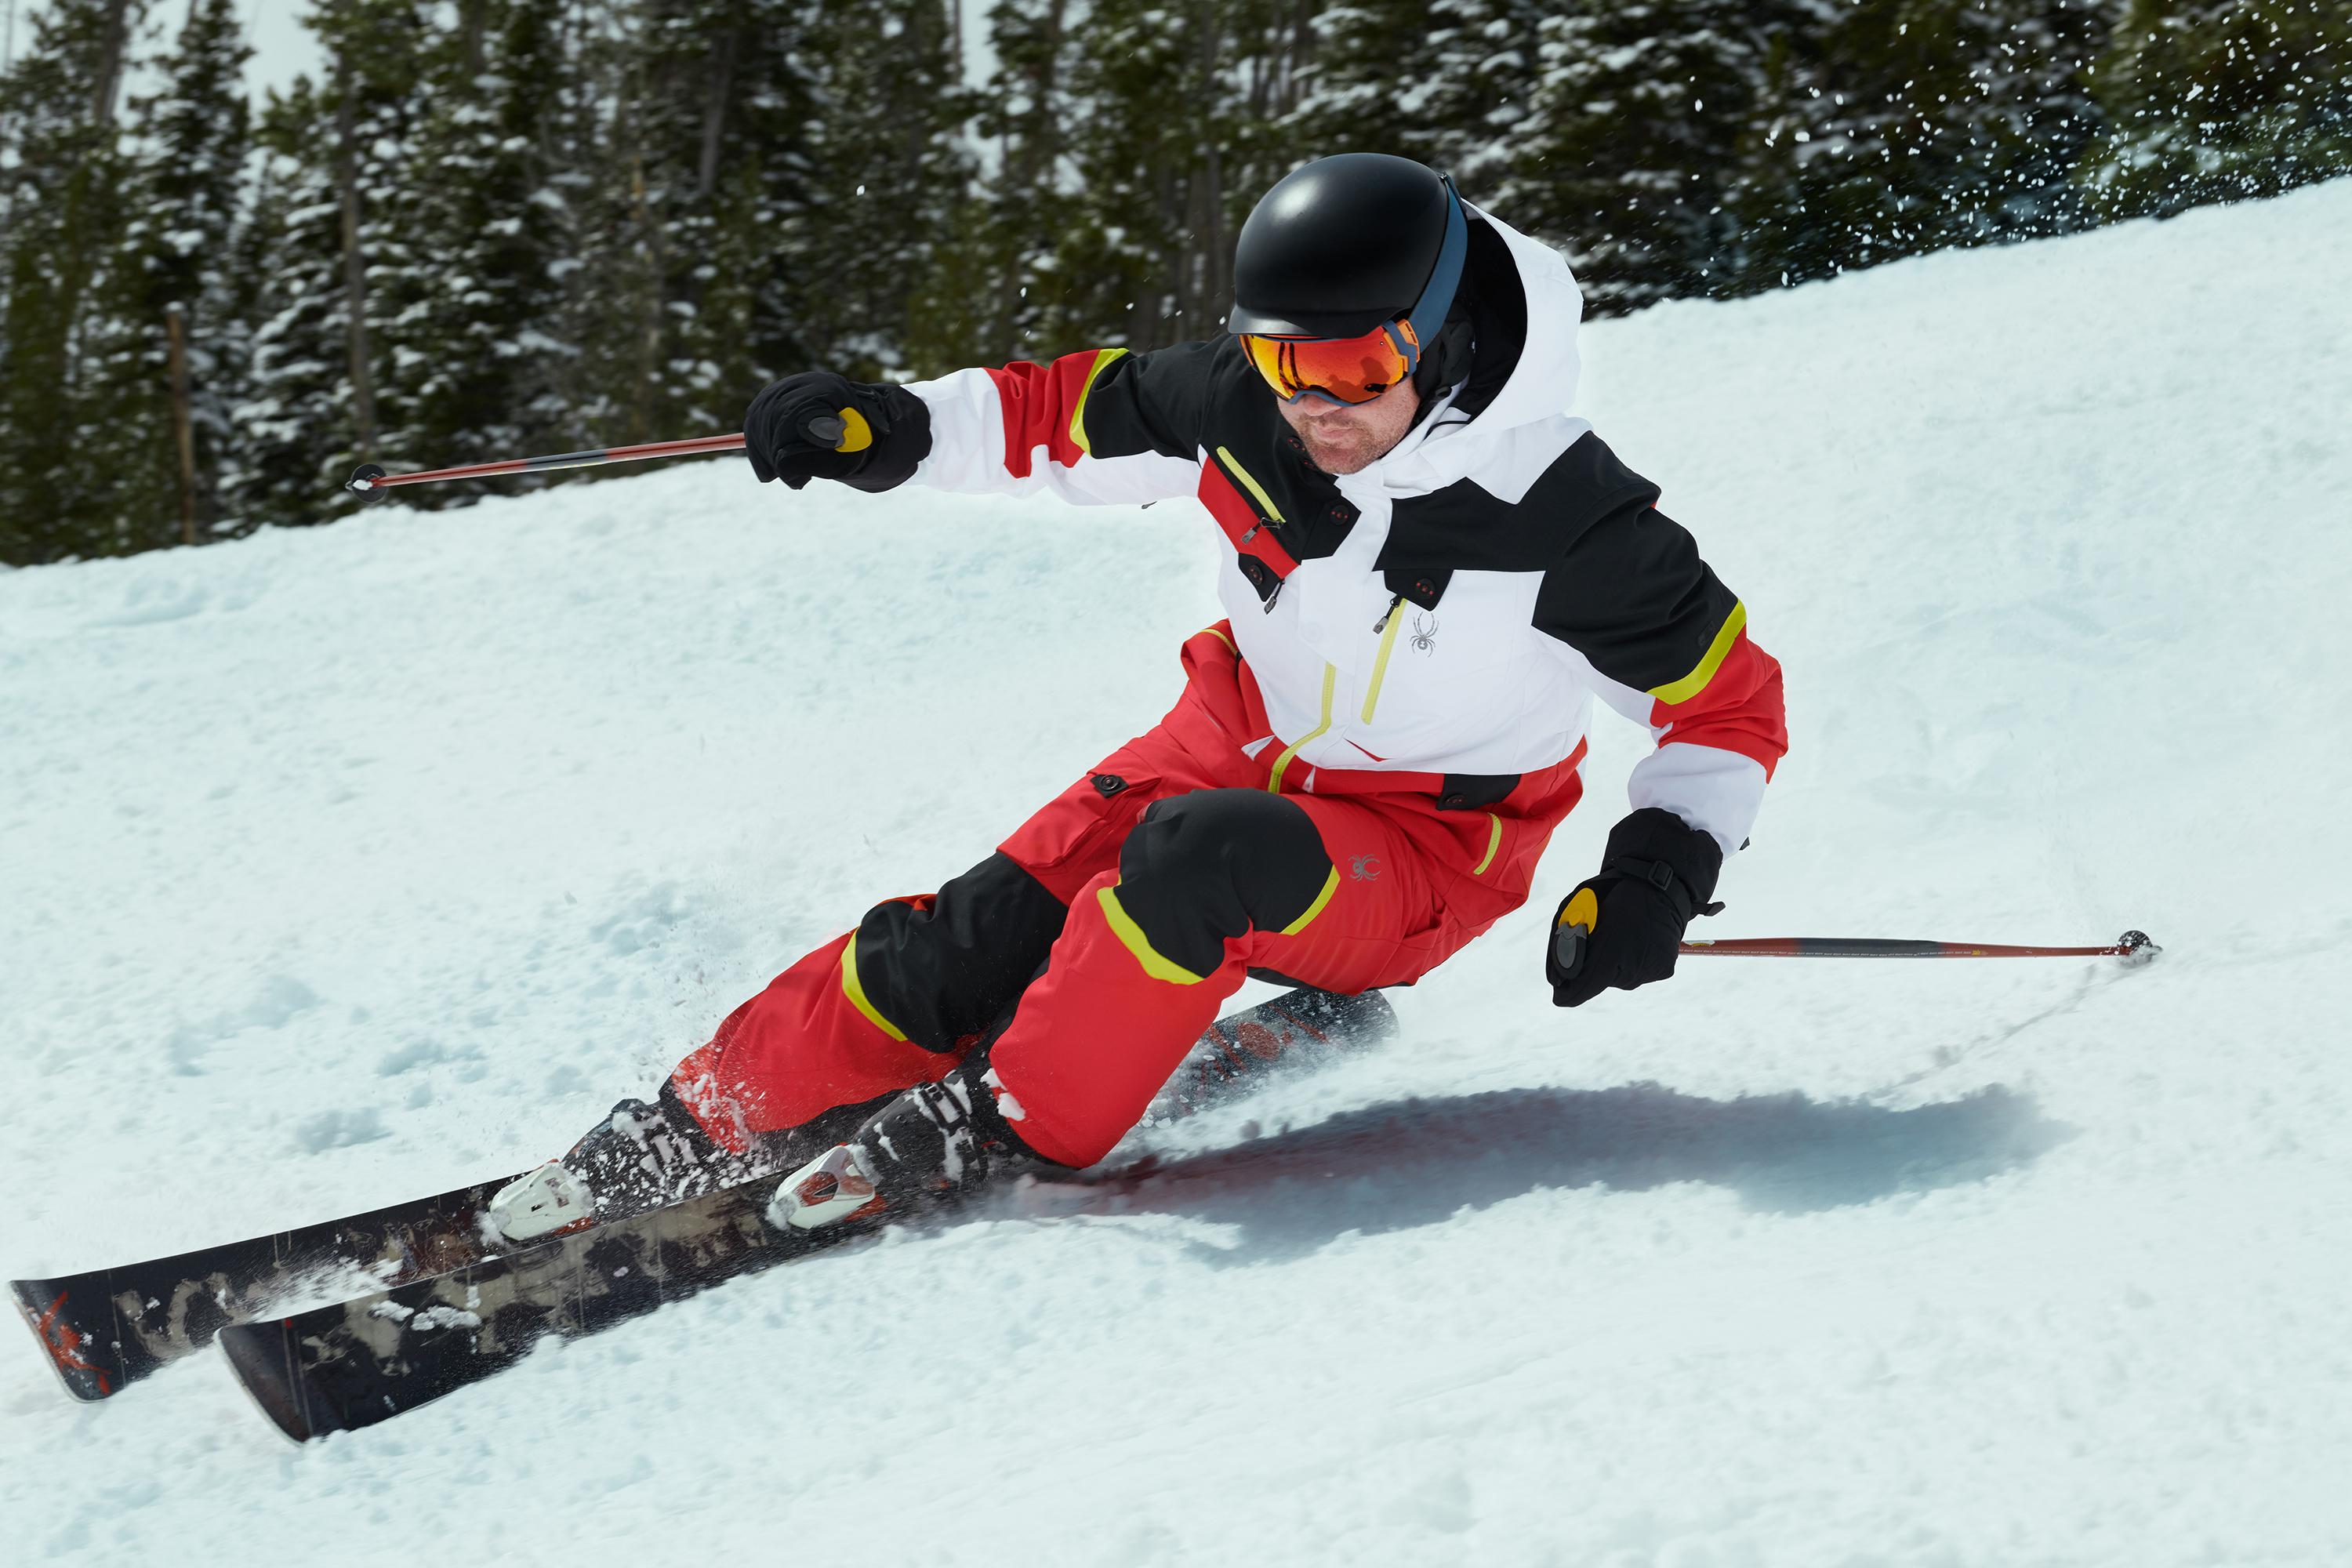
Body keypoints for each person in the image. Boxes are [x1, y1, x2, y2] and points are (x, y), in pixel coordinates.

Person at [485, 152, 1788, 1245]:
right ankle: (694, 1119)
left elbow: (1728, 707)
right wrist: (889, 430)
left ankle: (1008, 1125)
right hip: (1224, 751)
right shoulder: (1256, 410)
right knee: (973, 936)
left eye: (1354, 368)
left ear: (1442, 341)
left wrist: (1659, 875)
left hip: (1425, 849)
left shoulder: (1574, 521)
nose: (1315, 406)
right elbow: (1062, 412)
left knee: (1194, 863)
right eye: (1286, 363)